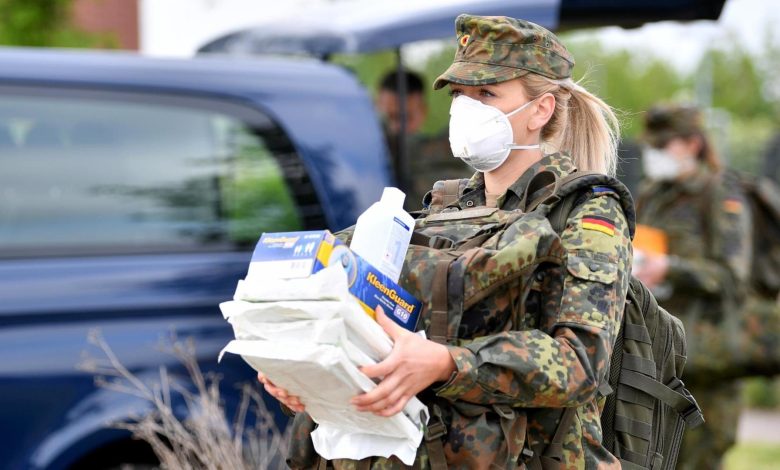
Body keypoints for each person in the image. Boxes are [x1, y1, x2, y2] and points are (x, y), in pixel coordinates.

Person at [260, 14, 632, 468]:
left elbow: (581, 363)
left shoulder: (586, 210)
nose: (466, 109)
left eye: (487, 94)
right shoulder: (438, 211)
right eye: (459, 94)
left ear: (541, 110)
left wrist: (447, 364)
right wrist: (310, 377)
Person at [634, 103, 753, 470]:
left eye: (663, 145)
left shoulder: (720, 194)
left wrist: (671, 269)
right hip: (657, 356)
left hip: (706, 364)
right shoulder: (652, 193)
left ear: (692, 144)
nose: (655, 152)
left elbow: (732, 277)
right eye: (652, 145)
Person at [376, 70, 471, 210]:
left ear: (422, 112)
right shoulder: (365, 155)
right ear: (376, 107)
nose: (396, 127)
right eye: (389, 117)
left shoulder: (444, 158)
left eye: (405, 118)